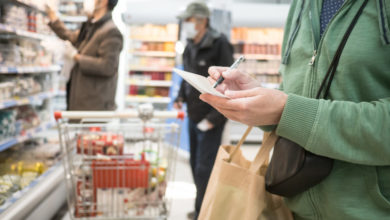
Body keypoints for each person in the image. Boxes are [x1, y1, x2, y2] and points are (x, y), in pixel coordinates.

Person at [200, 0, 390, 219]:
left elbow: (296, 110)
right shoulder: (302, 5)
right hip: (293, 207)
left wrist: (287, 110)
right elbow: (298, 93)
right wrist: (259, 101)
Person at [173, 2, 234, 219]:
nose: (186, 25)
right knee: (194, 164)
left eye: (189, 20)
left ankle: (205, 212)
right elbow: (187, 75)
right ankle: (201, 208)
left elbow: (229, 84)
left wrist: (213, 119)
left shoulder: (220, 45)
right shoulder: (190, 45)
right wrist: (180, 97)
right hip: (193, 115)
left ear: (202, 21)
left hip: (211, 118)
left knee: (204, 168)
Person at [46, 0, 123, 111]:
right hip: (80, 102)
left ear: (104, 2)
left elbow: (108, 66)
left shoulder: (111, 31)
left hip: (94, 107)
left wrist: (75, 57)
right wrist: (53, 16)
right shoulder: (91, 27)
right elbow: (71, 37)